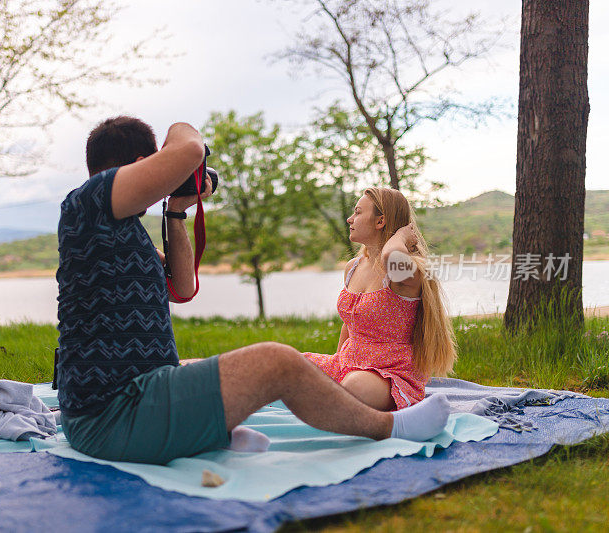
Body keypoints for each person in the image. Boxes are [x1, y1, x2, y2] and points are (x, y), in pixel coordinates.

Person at [55, 116, 452, 465]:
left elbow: (183, 285)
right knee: (276, 361)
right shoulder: (86, 205)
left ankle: (203, 437)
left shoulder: (122, 234)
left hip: (134, 403)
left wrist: (176, 212)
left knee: (195, 364)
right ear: (143, 168)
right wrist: (177, 156)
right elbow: (190, 146)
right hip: (115, 414)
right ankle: (390, 428)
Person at [303, 188, 458, 411]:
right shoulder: (353, 267)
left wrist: (401, 237)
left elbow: (390, 256)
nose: (350, 219)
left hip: (389, 374)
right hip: (348, 364)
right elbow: (350, 323)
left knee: (353, 387)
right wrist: (335, 365)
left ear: (380, 221)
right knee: (286, 363)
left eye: (357, 212)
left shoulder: (405, 272)